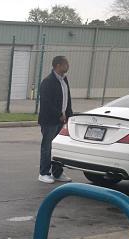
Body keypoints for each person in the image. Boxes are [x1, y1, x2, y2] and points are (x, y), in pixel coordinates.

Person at [37, 56, 73, 184]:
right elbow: (46, 102)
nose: (68, 66)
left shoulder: (64, 80)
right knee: (47, 147)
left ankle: (57, 173)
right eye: (66, 63)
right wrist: (59, 114)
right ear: (58, 65)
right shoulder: (48, 81)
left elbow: (67, 98)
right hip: (49, 121)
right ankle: (44, 173)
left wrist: (69, 114)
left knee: (58, 147)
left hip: (62, 119)